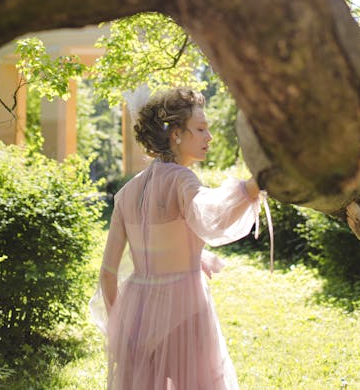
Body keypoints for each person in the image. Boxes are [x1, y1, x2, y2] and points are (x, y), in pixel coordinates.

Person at [90, 87, 261, 390]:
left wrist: (121, 328)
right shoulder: (181, 179)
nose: (209, 137)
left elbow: (108, 274)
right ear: (176, 135)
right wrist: (253, 187)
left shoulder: (127, 193)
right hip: (184, 307)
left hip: (137, 311)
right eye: (201, 128)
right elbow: (212, 213)